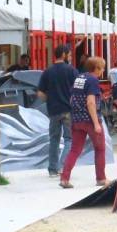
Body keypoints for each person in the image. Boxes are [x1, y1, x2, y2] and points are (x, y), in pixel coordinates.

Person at [59, 56, 109, 189]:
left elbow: (72, 99)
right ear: (96, 68)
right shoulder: (93, 80)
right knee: (100, 149)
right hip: (90, 120)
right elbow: (91, 102)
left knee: (75, 149)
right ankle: (101, 178)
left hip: (76, 119)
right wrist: (96, 123)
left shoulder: (79, 78)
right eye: (102, 68)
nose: (103, 71)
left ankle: (64, 178)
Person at [38, 43, 78, 176]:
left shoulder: (47, 71)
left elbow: (40, 93)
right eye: (69, 55)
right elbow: (78, 91)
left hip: (53, 111)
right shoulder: (72, 71)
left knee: (54, 140)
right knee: (69, 140)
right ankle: (62, 166)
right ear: (64, 55)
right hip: (68, 110)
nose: (70, 58)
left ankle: (52, 169)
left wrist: (49, 100)